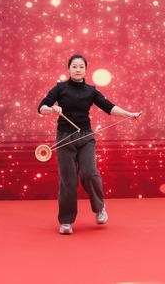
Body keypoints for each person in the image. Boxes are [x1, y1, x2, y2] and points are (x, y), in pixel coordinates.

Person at [37, 54, 141, 235]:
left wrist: (129, 114)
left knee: (89, 173)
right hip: (64, 138)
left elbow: (109, 107)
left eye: (81, 67)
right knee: (68, 180)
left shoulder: (91, 91)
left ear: (86, 70)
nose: (77, 70)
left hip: (86, 137)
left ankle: (99, 208)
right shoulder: (60, 88)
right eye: (74, 66)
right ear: (68, 69)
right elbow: (42, 107)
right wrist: (52, 108)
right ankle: (66, 221)